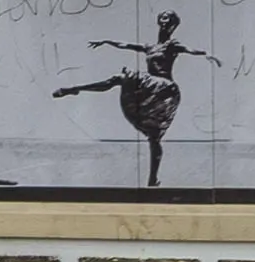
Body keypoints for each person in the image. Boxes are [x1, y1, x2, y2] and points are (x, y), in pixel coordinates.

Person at [51, 11, 206, 191]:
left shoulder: (172, 45)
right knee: (118, 79)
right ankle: (74, 89)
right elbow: (125, 45)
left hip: (164, 88)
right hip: (149, 86)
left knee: (154, 136)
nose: (164, 23)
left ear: (173, 26)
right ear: (159, 22)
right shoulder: (150, 47)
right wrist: (107, 41)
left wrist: (206, 54)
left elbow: (189, 50)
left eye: (168, 21)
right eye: (162, 19)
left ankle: (152, 180)